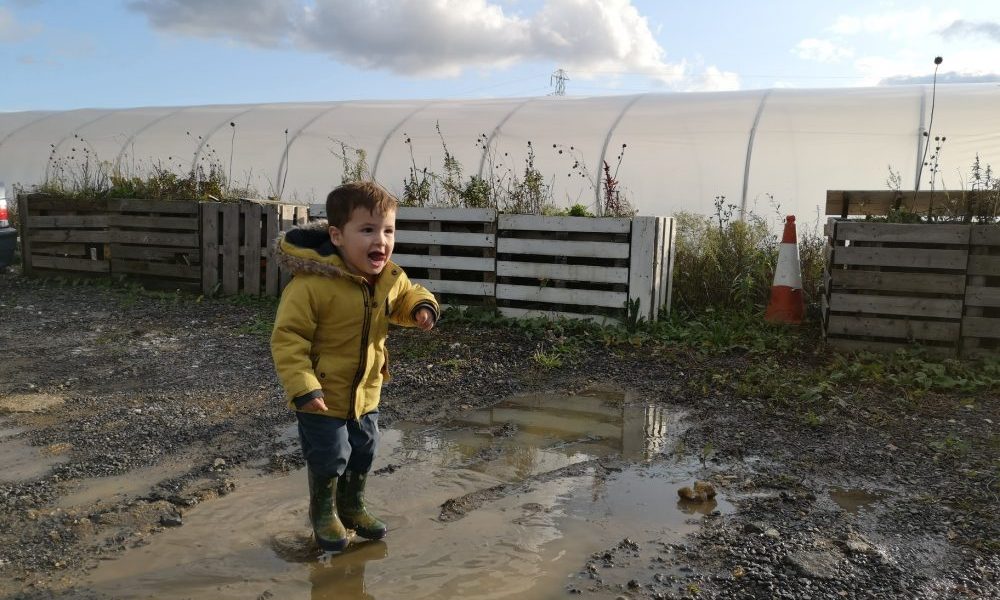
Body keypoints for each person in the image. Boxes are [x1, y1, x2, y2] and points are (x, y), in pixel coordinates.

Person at [271, 181, 438, 551]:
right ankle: (323, 512)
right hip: (322, 393)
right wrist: (303, 386)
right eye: (367, 230)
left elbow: (407, 293)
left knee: (364, 448)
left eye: (388, 230)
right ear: (337, 235)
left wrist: (420, 307)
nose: (380, 240)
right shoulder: (311, 285)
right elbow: (288, 338)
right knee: (331, 454)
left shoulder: (386, 278)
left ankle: (352, 504)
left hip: (365, 391)